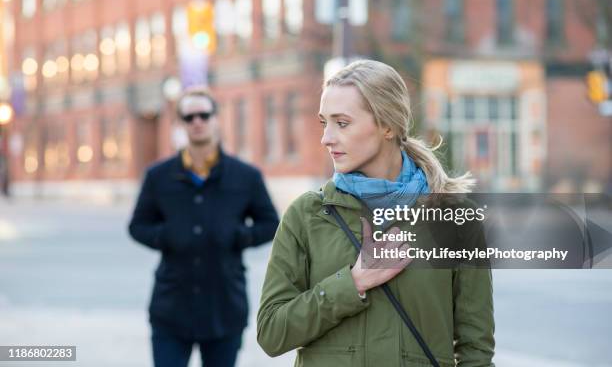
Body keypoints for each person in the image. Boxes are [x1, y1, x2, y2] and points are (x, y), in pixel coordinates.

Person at [257, 60, 494, 366]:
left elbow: (476, 348)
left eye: (341, 123)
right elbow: (271, 332)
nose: (326, 138)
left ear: (388, 125)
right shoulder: (306, 215)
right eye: (324, 123)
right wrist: (353, 283)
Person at [129, 87, 279, 367]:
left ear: (216, 119)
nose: (197, 121)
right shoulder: (158, 176)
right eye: (189, 117)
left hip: (224, 307)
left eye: (204, 115)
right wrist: (166, 236)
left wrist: (238, 237)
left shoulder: (245, 176)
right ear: (180, 124)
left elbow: (270, 223)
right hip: (171, 306)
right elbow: (138, 225)